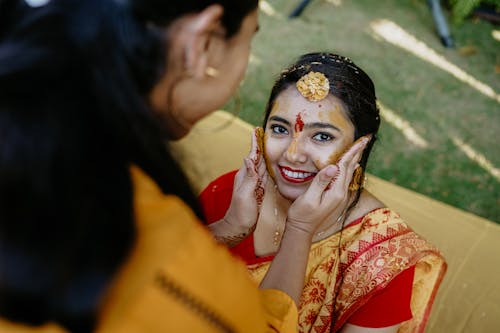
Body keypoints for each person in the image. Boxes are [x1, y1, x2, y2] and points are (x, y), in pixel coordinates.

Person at [0, 2, 364, 333]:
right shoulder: (191, 286)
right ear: (202, 42)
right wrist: (299, 230)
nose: (295, 154)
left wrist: (226, 229)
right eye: (248, 40)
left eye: (322, 136)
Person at [200, 53, 447, 333]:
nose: (292, 155)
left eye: (322, 136)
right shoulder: (231, 195)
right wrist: (230, 228)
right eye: (279, 129)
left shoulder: (381, 256)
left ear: (359, 148)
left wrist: (300, 227)